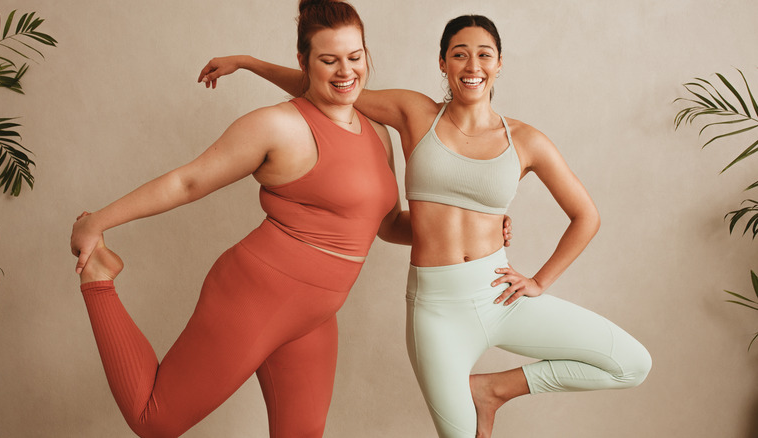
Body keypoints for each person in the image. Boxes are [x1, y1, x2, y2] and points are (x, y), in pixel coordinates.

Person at [199, 13, 652, 438]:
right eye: (459, 53)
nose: (472, 64)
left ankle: (491, 390)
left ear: (499, 63)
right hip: (437, 310)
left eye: (484, 53)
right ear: (442, 62)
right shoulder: (416, 113)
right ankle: (479, 394)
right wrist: (248, 63)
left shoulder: (527, 140)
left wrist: (539, 280)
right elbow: (327, 86)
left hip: (499, 294)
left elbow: (586, 216)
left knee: (631, 363)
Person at [69, 1, 411, 437]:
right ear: (303, 62)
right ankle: (98, 278)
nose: (345, 71)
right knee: (155, 420)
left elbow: (388, 225)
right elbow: (187, 182)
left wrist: (478, 232)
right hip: (258, 293)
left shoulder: (377, 132)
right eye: (329, 60)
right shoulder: (277, 126)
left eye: (355, 57)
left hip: (316, 314)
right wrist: (97, 222)